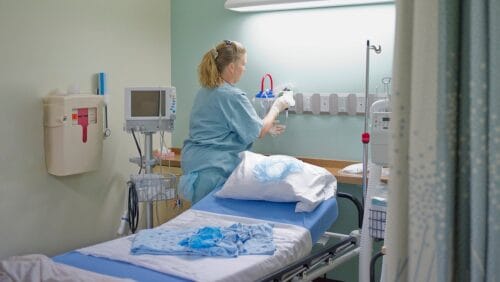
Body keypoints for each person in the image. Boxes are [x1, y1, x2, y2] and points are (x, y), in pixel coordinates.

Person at [179, 40, 290, 203]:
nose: (244, 69)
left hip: (195, 168)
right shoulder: (232, 96)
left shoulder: (205, 92)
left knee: (203, 221)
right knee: (217, 222)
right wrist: (277, 106)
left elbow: (221, 127)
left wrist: (263, 125)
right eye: (243, 64)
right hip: (214, 171)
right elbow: (258, 132)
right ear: (232, 66)